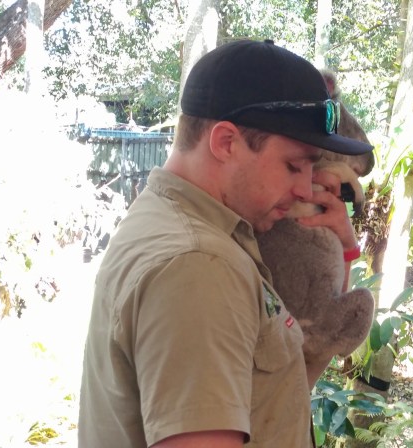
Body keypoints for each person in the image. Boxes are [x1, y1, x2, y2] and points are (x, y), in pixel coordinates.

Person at [78, 39, 373, 448]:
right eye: (294, 165)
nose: (307, 188)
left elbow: (275, 395)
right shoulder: (199, 266)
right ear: (226, 142)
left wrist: (342, 249)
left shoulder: (184, 224)